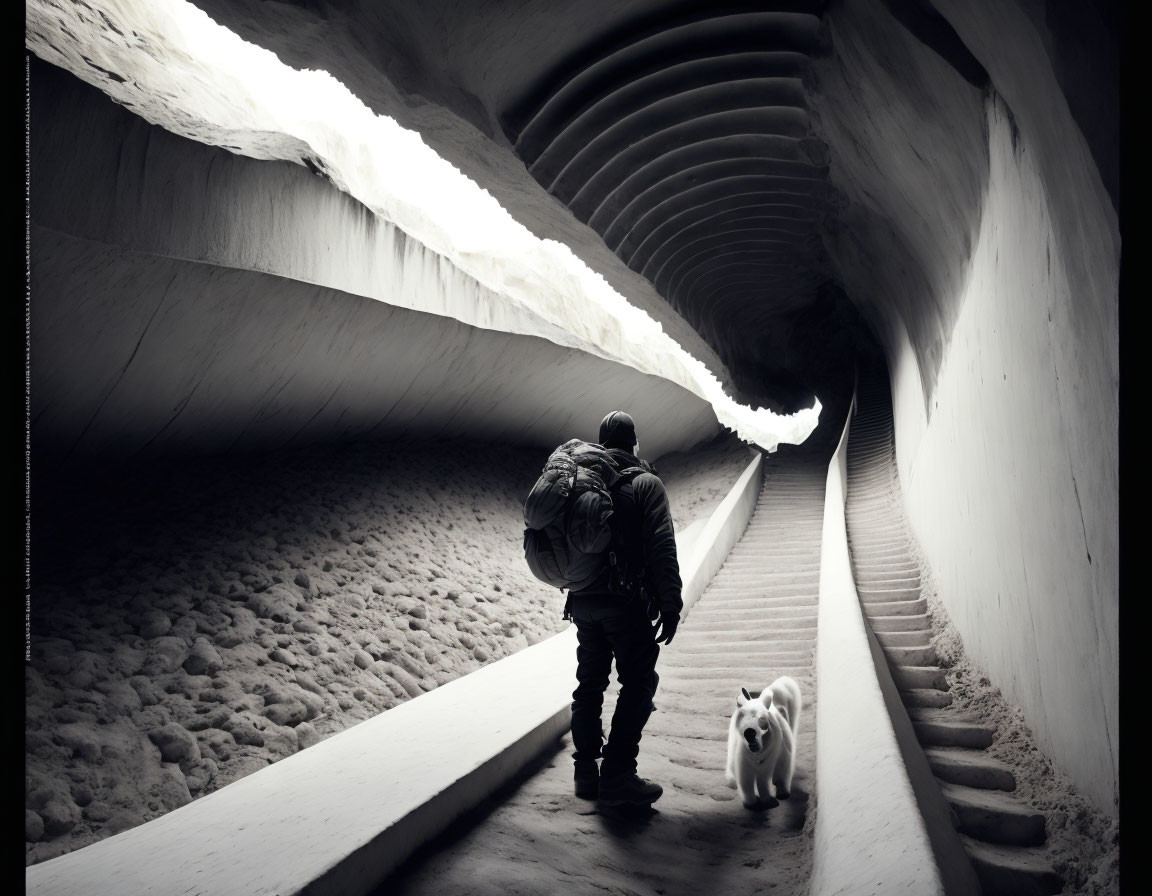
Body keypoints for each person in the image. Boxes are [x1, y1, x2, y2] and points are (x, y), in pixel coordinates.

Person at [567, 411, 682, 808]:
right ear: (635, 444)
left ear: (601, 443)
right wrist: (670, 603)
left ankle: (585, 773)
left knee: (590, 683)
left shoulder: (584, 480)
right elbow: (662, 547)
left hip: (582, 602)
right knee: (638, 683)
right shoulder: (646, 484)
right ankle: (618, 774)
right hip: (626, 602)